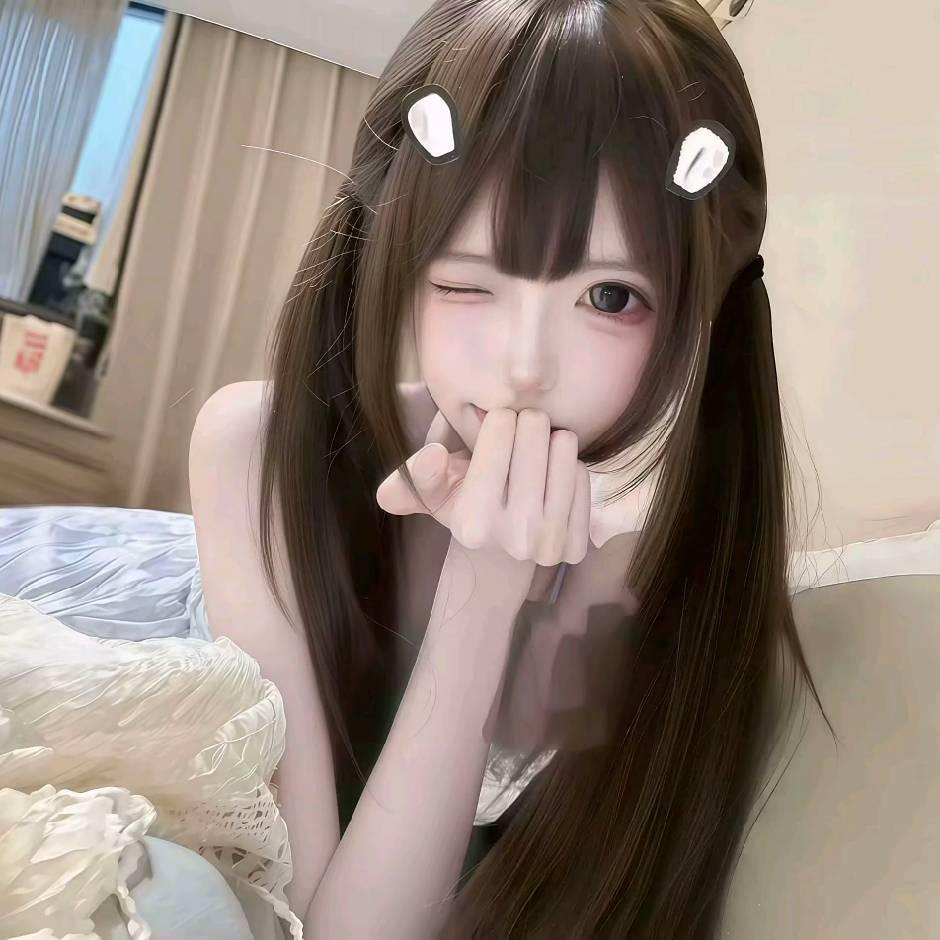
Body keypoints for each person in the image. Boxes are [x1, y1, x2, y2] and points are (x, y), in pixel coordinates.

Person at [189, 0, 833, 935]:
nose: (526, 366)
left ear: (695, 310)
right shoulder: (254, 444)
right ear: (393, 263)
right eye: (466, 281)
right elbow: (288, 904)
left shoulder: (642, 576)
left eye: (609, 296)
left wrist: (485, 593)